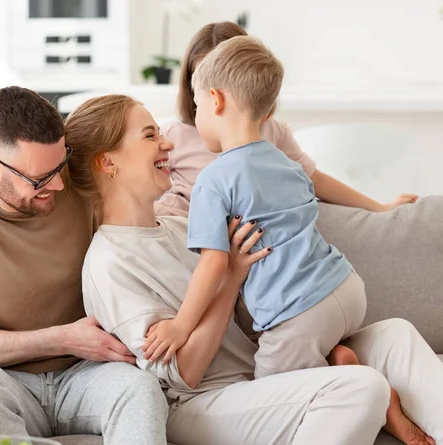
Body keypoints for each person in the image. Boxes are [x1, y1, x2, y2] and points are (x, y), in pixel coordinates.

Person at [65, 93, 443, 445]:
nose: (168, 144)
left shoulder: (182, 226)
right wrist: (230, 280)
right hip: (201, 401)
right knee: (362, 388)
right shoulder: (109, 264)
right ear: (107, 161)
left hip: (258, 369)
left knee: (396, 335)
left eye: (161, 133)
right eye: (150, 136)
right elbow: (186, 371)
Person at [141, 35, 434, 445]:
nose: (195, 115)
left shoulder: (214, 180)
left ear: (216, 100)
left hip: (299, 315)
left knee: (275, 395)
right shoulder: (287, 164)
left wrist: (180, 325)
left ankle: (368, 391)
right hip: (346, 289)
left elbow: (213, 263)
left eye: (197, 103)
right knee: (309, 360)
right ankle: (336, 361)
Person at [0, 86, 168, 445]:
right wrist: (63, 339)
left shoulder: (70, 184)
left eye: (60, 165)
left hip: (85, 375)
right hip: (1, 380)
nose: (59, 184)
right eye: (39, 179)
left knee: (139, 389)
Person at [154, 21, 418, 219]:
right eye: (201, 78)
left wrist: (380, 208)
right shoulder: (171, 136)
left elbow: (315, 179)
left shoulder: (272, 132)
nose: (214, 94)